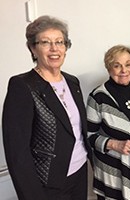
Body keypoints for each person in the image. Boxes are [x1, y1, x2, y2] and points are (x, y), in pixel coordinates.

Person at [2, 15, 92, 200]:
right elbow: (17, 153)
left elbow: (76, 129)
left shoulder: (72, 82)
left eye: (60, 42)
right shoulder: (23, 86)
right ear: (33, 49)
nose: (54, 49)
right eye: (46, 42)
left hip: (79, 171)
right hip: (47, 183)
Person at [86, 45, 130, 200]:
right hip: (114, 172)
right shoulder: (98, 96)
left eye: (128, 64)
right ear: (109, 68)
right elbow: (88, 136)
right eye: (117, 66)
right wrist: (114, 144)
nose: (124, 70)